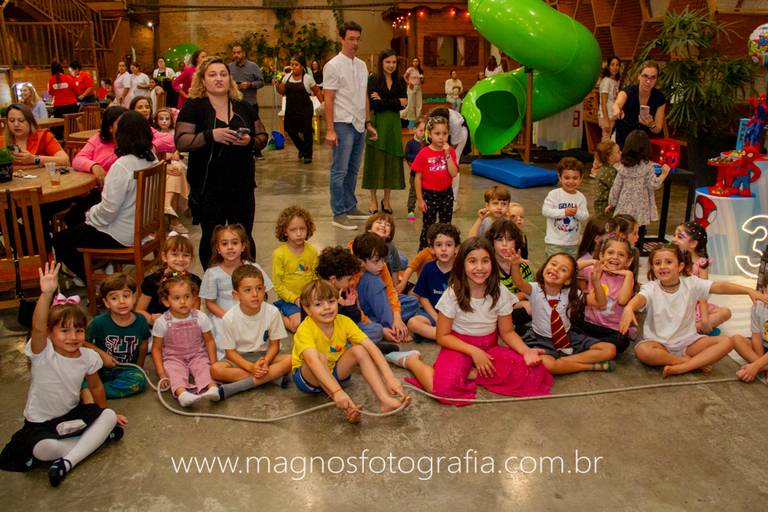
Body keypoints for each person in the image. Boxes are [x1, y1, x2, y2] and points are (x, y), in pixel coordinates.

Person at [0, 263, 126, 486]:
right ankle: (92, 442)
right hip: (41, 423)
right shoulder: (43, 353)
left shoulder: (88, 356)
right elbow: (38, 327)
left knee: (108, 416)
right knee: (43, 450)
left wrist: (101, 412)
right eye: (64, 330)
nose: (73, 337)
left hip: (72, 414)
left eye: (79, 330)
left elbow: (96, 387)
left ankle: (68, 461)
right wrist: (46, 293)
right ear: (50, 333)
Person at [385, 237, 552, 405]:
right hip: (458, 347)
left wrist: (525, 351)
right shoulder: (452, 294)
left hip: (489, 348)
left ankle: (469, 373)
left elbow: (507, 332)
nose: (479, 267)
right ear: (462, 265)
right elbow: (442, 336)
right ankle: (412, 361)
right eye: (472, 261)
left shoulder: (500, 292)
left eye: (485, 261)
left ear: (492, 263)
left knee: (535, 372)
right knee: (444, 390)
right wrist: (474, 352)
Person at [174, 56, 268, 267]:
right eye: (212, 75)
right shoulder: (193, 107)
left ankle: (245, 279)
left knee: (243, 236)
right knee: (212, 237)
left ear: (230, 79)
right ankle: (213, 280)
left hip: (241, 185)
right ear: (203, 80)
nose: (219, 79)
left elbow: (263, 136)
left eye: (223, 74)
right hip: (208, 187)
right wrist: (210, 135)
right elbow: (181, 141)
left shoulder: (243, 106)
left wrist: (250, 142)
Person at [620, 244, 768, 377]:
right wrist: (629, 307)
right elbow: (640, 298)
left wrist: (748, 290)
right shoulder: (651, 288)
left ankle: (682, 367)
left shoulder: (691, 284)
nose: (662, 266)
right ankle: (685, 362)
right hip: (658, 344)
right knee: (643, 351)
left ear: (680, 266)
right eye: (657, 263)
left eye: (668, 262)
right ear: (652, 267)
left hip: (689, 343)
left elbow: (720, 286)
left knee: (726, 342)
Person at [54, 110, 156, 281]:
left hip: (121, 233)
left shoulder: (122, 166)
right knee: (77, 224)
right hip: (141, 227)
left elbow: (108, 211)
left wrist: (90, 215)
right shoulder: (150, 157)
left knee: (61, 239)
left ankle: (94, 281)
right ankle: (100, 267)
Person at [291, 279, 410, 422]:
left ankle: (385, 400)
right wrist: (337, 392)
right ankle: (348, 409)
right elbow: (312, 361)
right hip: (309, 378)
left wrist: (390, 378)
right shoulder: (305, 329)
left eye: (331, 301)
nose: (327, 307)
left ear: (337, 301)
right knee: (319, 357)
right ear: (307, 309)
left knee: (359, 350)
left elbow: (371, 347)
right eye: (318, 304)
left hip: (334, 370)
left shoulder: (344, 321)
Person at [511, 252, 618, 374]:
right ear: (544, 267)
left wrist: (596, 281)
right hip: (540, 340)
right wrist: (515, 265)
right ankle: (589, 366)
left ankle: (563, 363)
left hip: (568, 337)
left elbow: (601, 303)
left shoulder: (572, 294)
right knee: (547, 364)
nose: (556, 269)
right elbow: (518, 282)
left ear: (568, 281)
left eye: (563, 269)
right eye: (553, 264)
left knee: (610, 349)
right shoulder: (535, 289)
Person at [324, 21, 379, 230]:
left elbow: (363, 96)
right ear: (342, 39)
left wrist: (368, 122)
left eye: (358, 39)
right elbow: (329, 99)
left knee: (353, 169)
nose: (355, 43)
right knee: (339, 170)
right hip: (342, 124)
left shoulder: (362, 65)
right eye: (351, 39)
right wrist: (330, 129)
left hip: (358, 124)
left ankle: (350, 206)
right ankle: (338, 213)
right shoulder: (333, 66)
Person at [211, 265, 292, 399]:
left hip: (265, 355)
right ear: (236, 295)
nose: (255, 294)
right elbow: (230, 353)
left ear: (264, 290)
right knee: (215, 370)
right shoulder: (229, 318)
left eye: (259, 288)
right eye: (247, 290)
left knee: (292, 360)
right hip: (240, 358)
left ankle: (239, 386)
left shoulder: (272, 312)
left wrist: (266, 361)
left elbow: (274, 345)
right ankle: (272, 378)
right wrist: (250, 367)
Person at [151, 274, 221, 406]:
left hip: (197, 354)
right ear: (166, 301)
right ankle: (182, 394)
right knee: (174, 372)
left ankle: (212, 388)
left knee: (204, 368)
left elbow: (209, 341)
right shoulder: (162, 322)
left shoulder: (200, 317)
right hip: (173, 357)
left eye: (187, 297)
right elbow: (156, 348)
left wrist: (214, 363)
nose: (183, 302)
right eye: (176, 298)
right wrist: (161, 373)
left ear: (194, 298)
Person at [200, 224, 273, 348]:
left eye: (234, 243)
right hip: (223, 316)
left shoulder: (253, 268)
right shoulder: (212, 273)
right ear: (218, 249)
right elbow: (210, 303)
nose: (230, 247)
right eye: (224, 244)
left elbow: (264, 294)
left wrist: (253, 311)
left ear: (243, 246)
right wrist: (227, 317)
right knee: (225, 342)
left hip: (251, 312)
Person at [85, 273, 151, 398]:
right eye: (114, 298)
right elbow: (83, 343)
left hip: (126, 370)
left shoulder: (141, 321)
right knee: (79, 376)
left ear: (134, 298)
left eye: (126, 296)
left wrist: (139, 367)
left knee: (139, 381)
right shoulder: (99, 322)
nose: (121, 301)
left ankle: (94, 392)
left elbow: (143, 344)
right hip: (100, 368)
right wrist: (102, 355)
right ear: (106, 302)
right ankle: (91, 389)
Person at [315, 245, 390, 348]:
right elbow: (324, 324)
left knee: (376, 329)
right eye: (349, 279)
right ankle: (360, 346)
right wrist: (338, 307)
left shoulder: (345, 291)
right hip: (325, 334)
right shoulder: (317, 294)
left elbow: (356, 320)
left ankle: (355, 346)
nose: (353, 282)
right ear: (333, 280)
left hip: (345, 331)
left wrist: (351, 307)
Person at [607, 129, 671, 249]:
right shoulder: (648, 167)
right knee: (639, 231)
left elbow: (616, 188)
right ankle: (638, 251)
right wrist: (663, 174)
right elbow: (654, 184)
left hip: (624, 207)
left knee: (623, 231)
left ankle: (621, 250)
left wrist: (612, 203)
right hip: (641, 208)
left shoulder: (623, 166)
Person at [572, 236, 635, 354]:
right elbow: (571, 267)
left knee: (622, 341)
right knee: (570, 321)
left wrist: (629, 274)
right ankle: (596, 348)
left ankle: (588, 345)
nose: (615, 257)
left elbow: (622, 301)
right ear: (602, 255)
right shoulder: (594, 270)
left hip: (611, 329)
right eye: (610, 252)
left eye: (621, 255)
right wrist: (593, 261)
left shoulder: (627, 278)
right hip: (589, 323)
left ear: (628, 261)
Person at [363, 49, 407, 215]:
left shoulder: (400, 81)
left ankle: (386, 200)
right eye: (388, 62)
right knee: (375, 160)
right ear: (381, 63)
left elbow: (404, 104)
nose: (391, 65)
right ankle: (373, 199)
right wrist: (394, 102)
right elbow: (374, 105)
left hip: (393, 125)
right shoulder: (373, 79)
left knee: (391, 161)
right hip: (377, 123)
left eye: (394, 62)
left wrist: (383, 100)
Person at [672, 221, 731, 334]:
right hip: (676, 305)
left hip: (695, 305)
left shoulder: (701, 264)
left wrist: (705, 319)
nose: (674, 239)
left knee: (725, 312)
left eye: (679, 236)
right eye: (674, 235)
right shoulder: (673, 259)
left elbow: (703, 292)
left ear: (693, 243)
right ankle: (690, 330)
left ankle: (694, 328)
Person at [413, 115, 459, 250]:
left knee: (446, 226)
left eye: (444, 133)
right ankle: (424, 252)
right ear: (430, 134)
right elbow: (417, 178)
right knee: (429, 226)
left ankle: (445, 250)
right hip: (429, 195)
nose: (441, 137)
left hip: (446, 194)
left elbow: (453, 173)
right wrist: (420, 199)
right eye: (437, 133)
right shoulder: (424, 153)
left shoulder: (450, 151)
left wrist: (447, 155)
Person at [136, 233, 202, 326]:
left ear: (191, 258)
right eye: (175, 254)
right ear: (164, 257)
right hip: (156, 327)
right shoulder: (152, 281)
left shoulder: (195, 281)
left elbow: (195, 310)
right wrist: (151, 319)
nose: (181, 259)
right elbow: (139, 310)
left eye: (186, 255)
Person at [409, 223, 461, 341]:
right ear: (432, 249)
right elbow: (423, 297)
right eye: (438, 245)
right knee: (413, 323)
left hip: (455, 316)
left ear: (456, 248)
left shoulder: (462, 270)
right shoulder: (428, 268)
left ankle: (439, 334)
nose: (444, 249)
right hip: (432, 313)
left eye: (449, 245)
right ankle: (449, 337)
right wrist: (436, 318)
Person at [272, 206, 318, 332]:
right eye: (293, 229)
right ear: (285, 231)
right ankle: (275, 315)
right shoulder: (279, 254)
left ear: (308, 229)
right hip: (288, 300)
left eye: (302, 228)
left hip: (309, 298)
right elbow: (278, 285)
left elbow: (315, 277)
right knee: (297, 325)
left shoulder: (312, 251)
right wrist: (295, 299)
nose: (298, 233)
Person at [486, 219, 533, 335]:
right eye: (499, 239)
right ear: (492, 242)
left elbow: (530, 291)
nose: (504, 244)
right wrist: (515, 301)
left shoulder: (522, 266)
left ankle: (509, 329)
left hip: (515, 308)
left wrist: (515, 300)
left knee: (533, 307)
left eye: (509, 239)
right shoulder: (488, 267)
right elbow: (490, 299)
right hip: (493, 310)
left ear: (516, 242)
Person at [274, 55, 322, 164]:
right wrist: (277, 84)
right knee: (290, 130)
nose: (293, 67)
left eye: (296, 65)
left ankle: (308, 155)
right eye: (292, 65)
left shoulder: (307, 78)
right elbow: (281, 91)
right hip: (291, 108)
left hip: (305, 109)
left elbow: (317, 91)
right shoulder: (287, 77)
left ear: (302, 66)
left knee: (307, 131)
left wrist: (322, 103)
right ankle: (302, 148)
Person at [542, 157, 589, 258]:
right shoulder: (554, 194)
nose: (571, 181)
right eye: (567, 178)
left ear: (581, 178)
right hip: (555, 242)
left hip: (573, 243)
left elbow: (585, 216)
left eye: (575, 178)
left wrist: (577, 212)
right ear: (560, 177)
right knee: (555, 263)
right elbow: (545, 211)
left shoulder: (580, 197)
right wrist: (564, 212)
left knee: (570, 265)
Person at [612, 60, 666, 149]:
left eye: (653, 77)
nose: (648, 81)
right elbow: (617, 104)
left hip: (642, 144)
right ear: (639, 76)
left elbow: (658, 129)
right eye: (645, 76)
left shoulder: (660, 98)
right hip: (621, 141)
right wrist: (617, 110)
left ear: (656, 79)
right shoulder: (628, 91)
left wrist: (651, 124)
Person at [0, 104, 68, 168]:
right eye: (11, 121)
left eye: (21, 120)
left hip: (41, 176)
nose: (16, 124)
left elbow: (65, 161)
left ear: (30, 122)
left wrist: (34, 159)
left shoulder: (44, 136)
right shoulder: (2, 140)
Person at [429, 107, 468, 210]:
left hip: (460, 134)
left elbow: (454, 145)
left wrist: (447, 154)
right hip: (450, 133)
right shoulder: (433, 119)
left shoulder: (455, 122)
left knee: (454, 162)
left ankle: (453, 200)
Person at [365, 212, 406, 286]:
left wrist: (395, 287)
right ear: (369, 229)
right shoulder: (364, 244)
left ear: (389, 235)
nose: (383, 225)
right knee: (403, 261)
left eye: (387, 225)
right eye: (379, 222)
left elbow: (395, 268)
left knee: (403, 261)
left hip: (388, 267)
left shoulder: (390, 246)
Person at [404, 116, 426, 220]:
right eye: (421, 130)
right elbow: (408, 156)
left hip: (426, 175)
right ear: (414, 130)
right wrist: (418, 156)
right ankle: (410, 210)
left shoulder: (428, 143)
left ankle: (425, 207)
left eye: (425, 131)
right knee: (413, 192)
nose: (423, 133)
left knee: (426, 192)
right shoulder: (411, 143)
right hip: (415, 174)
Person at [592, 140, 621, 214]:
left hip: (603, 205)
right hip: (604, 207)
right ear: (610, 157)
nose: (621, 153)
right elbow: (617, 188)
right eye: (618, 152)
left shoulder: (608, 169)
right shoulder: (609, 172)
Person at [598, 56, 621, 142]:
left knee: (611, 141)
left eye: (617, 65)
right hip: (606, 116)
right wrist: (606, 121)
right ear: (608, 67)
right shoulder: (606, 81)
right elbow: (603, 103)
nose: (615, 67)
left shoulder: (616, 81)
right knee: (606, 141)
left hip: (613, 115)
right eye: (612, 64)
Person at [402, 57, 424, 123]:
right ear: (412, 63)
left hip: (418, 87)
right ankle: (411, 118)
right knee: (411, 103)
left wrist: (422, 79)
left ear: (418, 63)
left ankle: (418, 117)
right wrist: (409, 83)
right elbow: (404, 76)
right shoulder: (410, 69)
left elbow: (422, 81)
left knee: (419, 103)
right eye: (414, 61)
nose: (415, 63)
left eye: (417, 61)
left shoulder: (420, 70)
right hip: (412, 87)